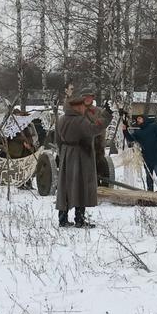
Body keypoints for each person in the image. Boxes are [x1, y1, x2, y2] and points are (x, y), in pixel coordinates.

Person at [53, 92, 102, 227]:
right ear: (76, 107)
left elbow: (58, 140)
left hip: (66, 153)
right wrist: (107, 117)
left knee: (65, 187)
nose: (84, 108)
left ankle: (62, 219)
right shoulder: (80, 120)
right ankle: (79, 220)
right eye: (81, 106)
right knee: (80, 185)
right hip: (79, 155)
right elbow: (95, 129)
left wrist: (64, 152)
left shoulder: (61, 119)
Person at [134, 113, 157, 193]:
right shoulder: (139, 132)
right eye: (137, 119)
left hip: (156, 155)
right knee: (149, 175)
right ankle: (150, 191)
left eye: (139, 118)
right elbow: (131, 138)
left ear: (144, 119)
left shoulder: (154, 127)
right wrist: (125, 130)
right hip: (146, 156)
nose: (138, 120)